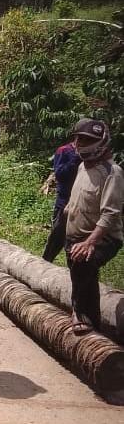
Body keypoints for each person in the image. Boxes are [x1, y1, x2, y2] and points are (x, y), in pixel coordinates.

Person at [63, 118, 122, 335]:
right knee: (82, 277)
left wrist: (89, 243)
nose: (79, 144)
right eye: (78, 138)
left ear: (100, 143)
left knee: (83, 263)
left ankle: (80, 314)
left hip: (102, 237)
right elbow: (79, 193)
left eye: (86, 140)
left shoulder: (112, 172)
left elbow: (110, 213)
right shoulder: (82, 167)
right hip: (76, 234)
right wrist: (70, 207)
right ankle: (94, 321)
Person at [42, 139, 80, 262]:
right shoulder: (64, 151)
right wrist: (75, 159)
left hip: (82, 205)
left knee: (76, 241)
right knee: (56, 237)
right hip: (64, 203)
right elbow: (59, 174)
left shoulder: (93, 155)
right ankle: (45, 263)